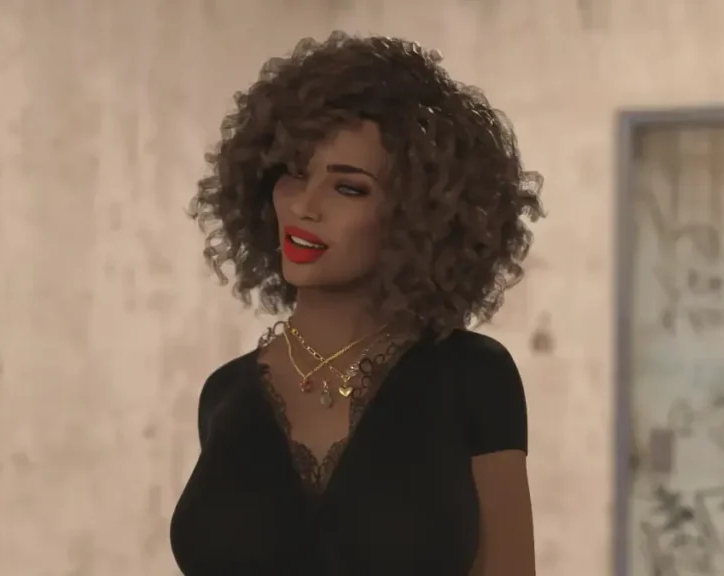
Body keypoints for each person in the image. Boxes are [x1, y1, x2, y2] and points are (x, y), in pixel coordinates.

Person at [170, 31, 544, 576]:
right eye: (294, 173)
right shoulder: (225, 396)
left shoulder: (472, 379)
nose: (305, 205)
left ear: (417, 215)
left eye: (348, 188)